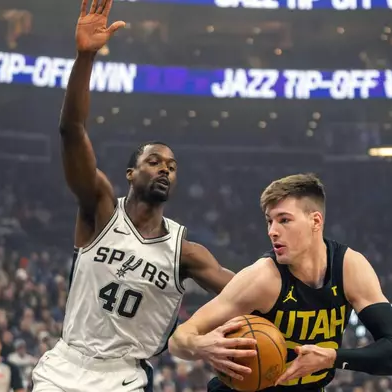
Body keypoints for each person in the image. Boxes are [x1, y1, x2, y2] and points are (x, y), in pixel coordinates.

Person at [30, 1, 257, 391]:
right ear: (131, 174)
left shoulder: (185, 252)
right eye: (154, 161)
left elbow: (246, 291)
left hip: (125, 377)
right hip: (64, 365)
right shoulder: (99, 209)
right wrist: (85, 57)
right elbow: (71, 130)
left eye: (171, 165)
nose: (165, 168)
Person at [168, 173, 392, 391]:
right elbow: (180, 338)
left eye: (284, 220)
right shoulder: (262, 278)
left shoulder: (350, 267)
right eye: (269, 221)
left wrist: (332, 357)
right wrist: (202, 345)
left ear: (315, 221)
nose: (272, 231)